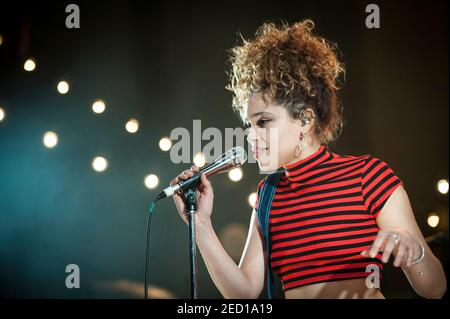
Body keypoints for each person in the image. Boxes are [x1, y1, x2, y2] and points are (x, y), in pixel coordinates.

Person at [171, 20, 446, 299]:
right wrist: (200, 224)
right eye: (248, 125)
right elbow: (242, 295)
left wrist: (416, 252)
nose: (251, 136)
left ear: (304, 119)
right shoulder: (269, 195)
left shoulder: (368, 176)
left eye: (263, 122)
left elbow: (434, 289)